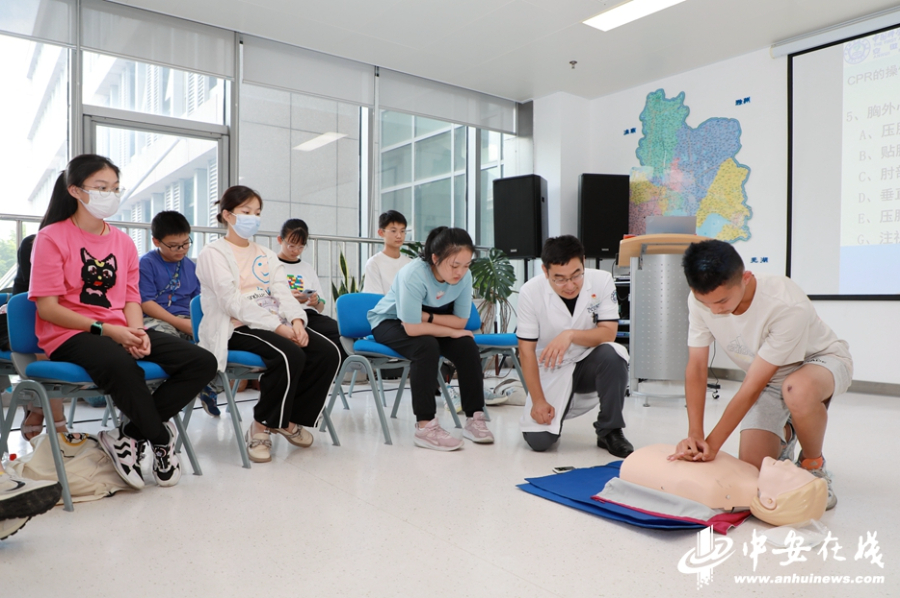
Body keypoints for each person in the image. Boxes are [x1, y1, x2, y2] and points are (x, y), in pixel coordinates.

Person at [28, 154, 218, 489]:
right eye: (101, 187)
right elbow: (48, 309)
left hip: (120, 328)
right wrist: (109, 330)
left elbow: (131, 298)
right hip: (70, 334)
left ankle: (127, 435)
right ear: (75, 190)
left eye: (115, 188)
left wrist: (138, 331)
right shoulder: (51, 237)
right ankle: (161, 439)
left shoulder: (123, 241)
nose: (110, 195)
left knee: (202, 362)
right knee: (121, 364)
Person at [670, 239, 853, 510]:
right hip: (770, 378)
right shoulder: (701, 301)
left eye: (722, 301)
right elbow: (696, 367)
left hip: (820, 362)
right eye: (705, 302)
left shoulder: (785, 303)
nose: (715, 310)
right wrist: (695, 435)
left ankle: (813, 464)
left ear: (745, 278)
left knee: (797, 390)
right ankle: (788, 431)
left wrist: (712, 445)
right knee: (752, 472)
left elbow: (751, 387)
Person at [196, 186, 341, 463]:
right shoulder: (213, 253)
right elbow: (231, 301)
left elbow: (282, 292)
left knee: (327, 352)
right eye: (246, 211)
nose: (253, 218)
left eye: (257, 213)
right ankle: (261, 426)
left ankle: (286, 419)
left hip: (275, 322)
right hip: (236, 327)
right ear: (227, 215)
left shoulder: (265, 254)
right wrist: (279, 328)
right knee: (289, 354)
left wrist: (297, 321)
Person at [368, 226, 493, 451]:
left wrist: (429, 317)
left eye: (466, 265)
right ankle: (425, 427)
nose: (460, 272)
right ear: (435, 258)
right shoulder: (413, 274)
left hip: (424, 320)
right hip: (389, 321)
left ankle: (474, 417)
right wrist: (450, 331)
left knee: (466, 345)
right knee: (426, 346)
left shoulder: (464, 277)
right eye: (454, 265)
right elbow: (412, 328)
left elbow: (461, 322)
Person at [516, 235, 632, 456]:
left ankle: (610, 429)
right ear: (545, 271)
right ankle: (552, 412)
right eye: (559, 279)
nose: (570, 285)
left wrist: (570, 335)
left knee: (613, 353)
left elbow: (608, 333)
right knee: (539, 442)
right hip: (550, 368)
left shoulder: (602, 280)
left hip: (589, 363)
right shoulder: (530, 292)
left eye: (576, 275)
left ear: (583, 262)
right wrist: (538, 401)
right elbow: (526, 350)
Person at [140, 210, 220, 416]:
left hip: (185, 319)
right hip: (154, 318)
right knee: (170, 343)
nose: (181, 250)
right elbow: (146, 303)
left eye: (185, 243)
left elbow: (199, 302)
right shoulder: (146, 264)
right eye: (174, 246)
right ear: (156, 241)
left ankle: (205, 385)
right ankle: (158, 398)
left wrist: (200, 324)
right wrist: (180, 323)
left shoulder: (191, 266)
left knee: (216, 341)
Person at [275, 218, 347, 364]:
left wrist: (315, 301)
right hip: (286, 317)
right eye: (291, 245)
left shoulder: (307, 268)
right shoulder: (272, 265)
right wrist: (288, 297)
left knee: (343, 333)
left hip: (311, 315)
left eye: (301, 247)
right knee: (320, 346)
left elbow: (320, 306)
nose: (296, 251)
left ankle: (334, 372)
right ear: (280, 240)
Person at [363, 210, 412, 295]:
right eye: (393, 231)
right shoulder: (374, 263)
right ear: (381, 232)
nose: (399, 236)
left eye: (402, 231)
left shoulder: (410, 263)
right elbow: (375, 298)